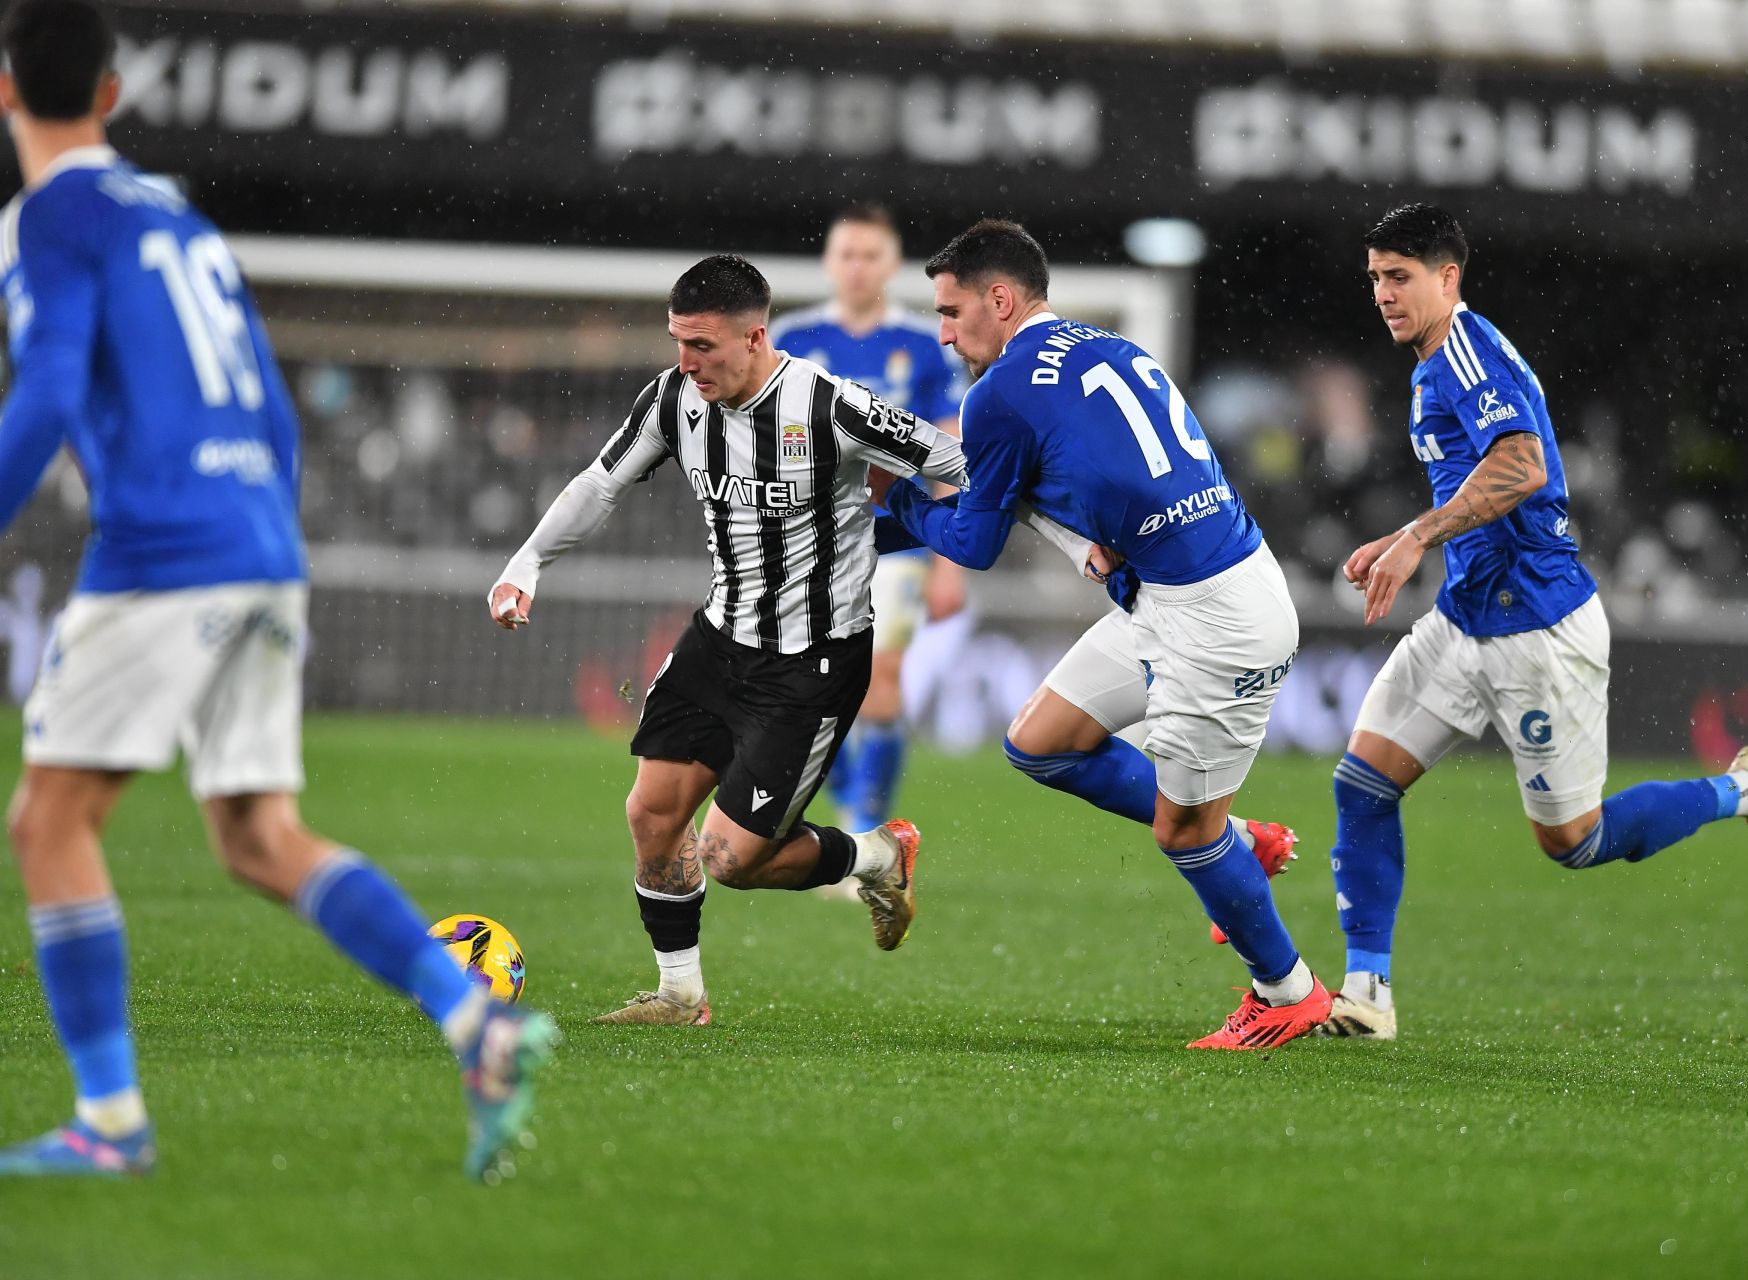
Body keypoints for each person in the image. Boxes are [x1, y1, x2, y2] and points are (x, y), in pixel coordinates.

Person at [0, 0, 555, 1181]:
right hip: (260, 533)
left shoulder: (47, 216)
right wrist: (264, 531)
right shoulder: (182, 219)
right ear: (110, 94)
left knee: (49, 821)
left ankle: (109, 1121)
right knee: (257, 831)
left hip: (163, 544)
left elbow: (45, 389)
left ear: (8, 96)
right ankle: (472, 1017)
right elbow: (263, 396)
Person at [1325, 203, 1748, 1040]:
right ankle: (1368, 995)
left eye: (1399, 277)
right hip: (1464, 617)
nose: (1382, 294)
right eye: (1374, 277)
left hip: (1538, 631)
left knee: (1575, 843)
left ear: (1450, 278)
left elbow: (1522, 464)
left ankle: (1745, 788)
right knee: (1362, 784)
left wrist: (1414, 536)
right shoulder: (1434, 362)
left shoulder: (1467, 353)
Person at [880, 219, 1326, 1051]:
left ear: (1001, 300)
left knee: (1183, 832)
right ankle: (1237, 841)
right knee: (1040, 742)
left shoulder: (1001, 392)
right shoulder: (1108, 348)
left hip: (1213, 621)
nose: (944, 333)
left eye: (951, 311)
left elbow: (975, 541)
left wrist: (892, 506)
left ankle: (1288, 991)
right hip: (1187, 591)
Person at [490, 254, 967, 1027]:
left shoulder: (832, 405)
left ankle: (877, 856)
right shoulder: (674, 399)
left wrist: (1080, 530)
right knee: (651, 815)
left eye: (704, 346)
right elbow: (599, 482)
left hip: (813, 663)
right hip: (720, 640)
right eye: (679, 342)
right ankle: (681, 996)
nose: (687, 362)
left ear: (755, 336)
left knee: (731, 860)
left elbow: (963, 465)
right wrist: (526, 563)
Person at [769, 204, 969, 845]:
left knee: (880, 678)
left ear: (891, 263)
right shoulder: (790, 342)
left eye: (870, 255)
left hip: (895, 537)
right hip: (804, 539)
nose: (857, 267)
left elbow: (950, 452)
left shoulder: (923, 345)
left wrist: (950, 561)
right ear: (830, 261)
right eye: (846, 254)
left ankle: (866, 827)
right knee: (811, 687)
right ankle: (848, 809)